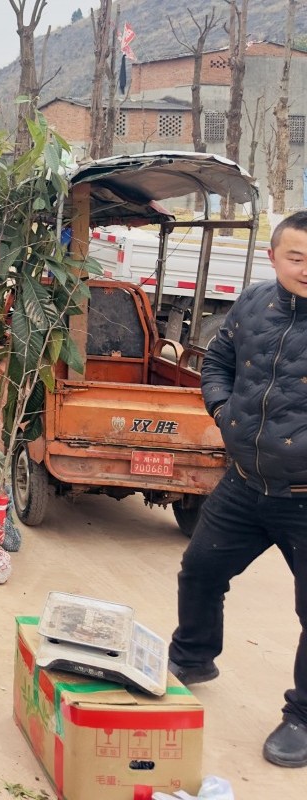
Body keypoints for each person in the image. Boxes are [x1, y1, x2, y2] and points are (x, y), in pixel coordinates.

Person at [168, 211, 307, 769]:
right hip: (246, 483)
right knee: (200, 571)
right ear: (273, 258)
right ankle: (193, 657)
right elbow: (218, 361)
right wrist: (223, 411)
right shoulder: (252, 304)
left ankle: (302, 718)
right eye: (297, 256)